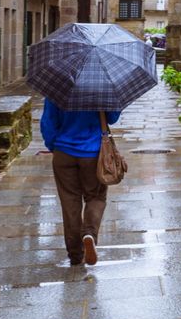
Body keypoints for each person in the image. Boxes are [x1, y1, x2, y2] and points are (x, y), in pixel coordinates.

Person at [40, 100, 121, 266]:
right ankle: (89, 233)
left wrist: (54, 146)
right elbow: (112, 118)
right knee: (96, 197)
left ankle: (75, 254)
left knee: (70, 202)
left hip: (63, 152)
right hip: (93, 153)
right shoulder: (100, 85)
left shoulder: (58, 85)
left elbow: (48, 122)